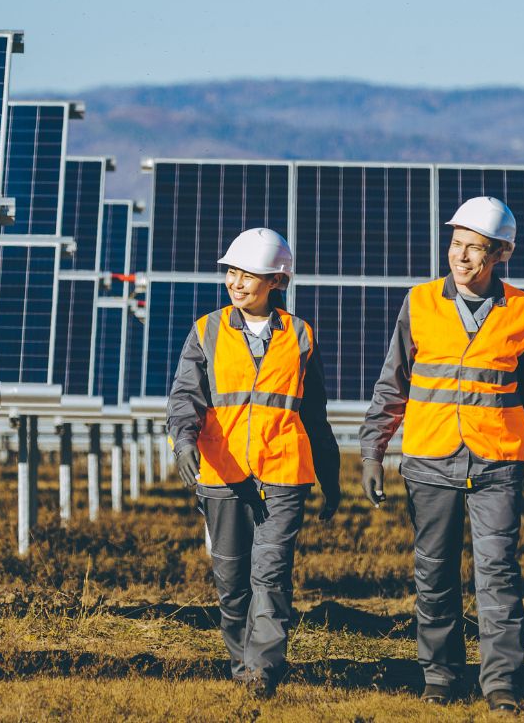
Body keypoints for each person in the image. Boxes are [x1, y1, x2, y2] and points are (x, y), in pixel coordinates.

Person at [359, 196, 524, 713]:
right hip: (429, 461)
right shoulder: (420, 302)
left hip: (498, 462)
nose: (462, 257)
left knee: (498, 575)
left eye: (476, 249)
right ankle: (441, 676)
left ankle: (501, 684)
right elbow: (393, 385)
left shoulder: (523, 310)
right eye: (456, 245)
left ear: (500, 254)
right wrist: (371, 451)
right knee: (434, 573)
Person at [167, 227, 341, 696]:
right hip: (222, 473)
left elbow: (315, 411)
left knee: (271, 572)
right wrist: (183, 442)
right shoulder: (206, 330)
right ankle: (241, 664)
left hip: (284, 473)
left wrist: (330, 474)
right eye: (232, 272)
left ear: (276, 281)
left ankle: (261, 672)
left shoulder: (301, 335)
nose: (237, 282)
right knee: (231, 579)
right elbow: (186, 398)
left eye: (249, 274)